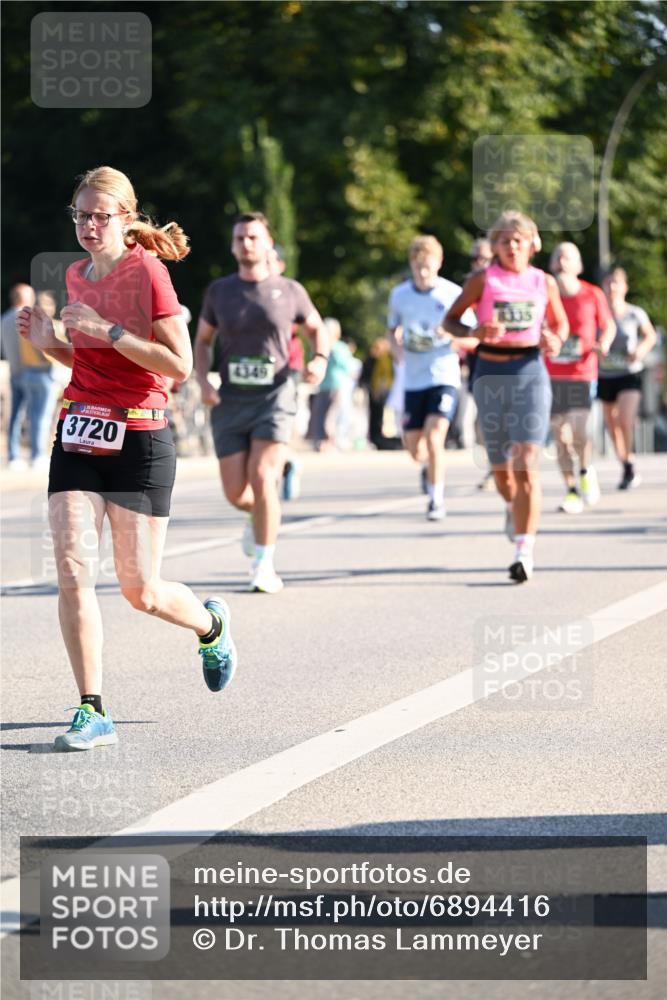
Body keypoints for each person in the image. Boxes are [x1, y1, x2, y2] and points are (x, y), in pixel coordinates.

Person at [17, 166, 237, 752]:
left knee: (141, 591)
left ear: (126, 218)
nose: (89, 226)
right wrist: (48, 341)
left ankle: (210, 626)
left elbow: (179, 365)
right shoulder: (75, 273)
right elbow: (86, 363)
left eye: (100, 216)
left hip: (139, 440)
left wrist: (108, 328)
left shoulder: (149, 275)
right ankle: (92, 708)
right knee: (71, 569)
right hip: (79, 433)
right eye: (81, 215)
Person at [194, 211, 328, 594]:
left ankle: (264, 566)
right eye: (240, 238)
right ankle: (259, 516)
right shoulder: (220, 292)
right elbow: (203, 341)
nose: (246, 244)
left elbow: (318, 329)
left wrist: (319, 360)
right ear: (233, 246)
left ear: (269, 244)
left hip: (276, 395)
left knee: (262, 475)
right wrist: (203, 380)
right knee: (237, 494)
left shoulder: (290, 291)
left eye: (253, 237)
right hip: (231, 400)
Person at [445, 211, 568, 582]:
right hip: (491, 372)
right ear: (494, 246)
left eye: (519, 240)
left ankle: (524, 549)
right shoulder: (483, 280)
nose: (512, 246)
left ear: (532, 244)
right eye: (504, 241)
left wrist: (555, 339)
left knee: (527, 460)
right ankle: (512, 505)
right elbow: (449, 321)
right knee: (501, 467)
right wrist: (476, 330)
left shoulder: (543, 282)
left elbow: (560, 324)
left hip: (531, 370)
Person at [388, 235, 478, 520]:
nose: (423, 273)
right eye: (418, 267)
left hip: (443, 375)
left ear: (439, 264)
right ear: (411, 265)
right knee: (415, 448)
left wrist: (453, 337)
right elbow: (392, 330)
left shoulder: (452, 294)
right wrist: (396, 348)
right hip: (413, 379)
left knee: (435, 435)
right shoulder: (399, 295)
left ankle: (435, 500)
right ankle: (428, 468)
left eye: (428, 266)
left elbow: (474, 337)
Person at [546, 243, 616, 513]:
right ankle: (572, 489)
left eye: (568, 257)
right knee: (559, 436)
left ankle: (586, 470)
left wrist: (605, 342)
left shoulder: (592, 293)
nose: (562, 261)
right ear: (553, 264)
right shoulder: (546, 295)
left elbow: (608, 325)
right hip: (552, 374)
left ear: (578, 266)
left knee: (579, 429)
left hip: (582, 372)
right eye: (558, 256)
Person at [600, 267, 657, 489]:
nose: (612, 287)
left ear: (625, 287)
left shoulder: (635, 313)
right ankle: (625, 463)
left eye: (616, 282)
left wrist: (641, 350)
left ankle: (629, 457)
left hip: (629, 373)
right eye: (608, 283)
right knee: (611, 423)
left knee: (624, 418)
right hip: (605, 374)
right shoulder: (600, 313)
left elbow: (650, 335)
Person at [2, 282, 59, 470]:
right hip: (33, 371)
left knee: (15, 417)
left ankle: (13, 456)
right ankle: (36, 455)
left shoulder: (4, 319)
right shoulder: (27, 318)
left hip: (15, 372)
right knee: (37, 416)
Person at [311, 319, 357, 452]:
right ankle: (319, 442)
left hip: (336, 386)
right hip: (322, 386)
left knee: (331, 416)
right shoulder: (320, 347)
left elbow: (348, 367)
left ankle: (330, 442)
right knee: (318, 415)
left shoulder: (340, 348)